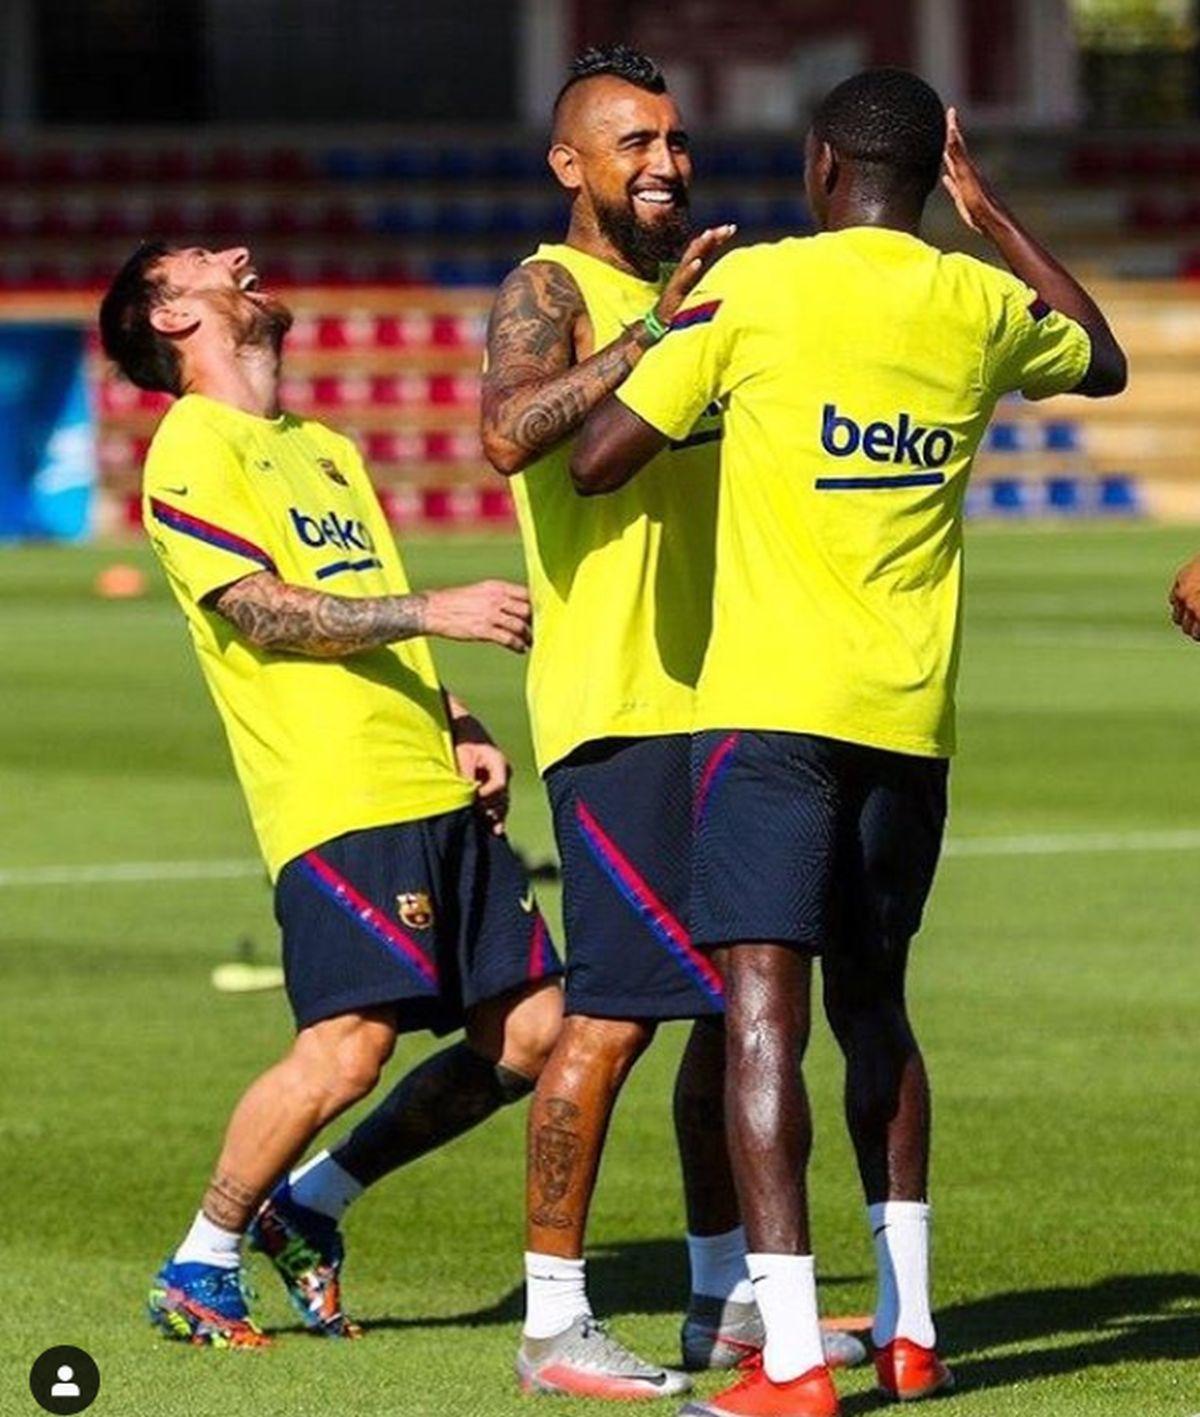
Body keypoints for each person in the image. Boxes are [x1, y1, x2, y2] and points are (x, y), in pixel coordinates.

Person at [572, 70, 1126, 1417]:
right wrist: (987, 213)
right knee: (876, 1007)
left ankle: (797, 1361)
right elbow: (1100, 357)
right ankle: (912, 1325)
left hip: (772, 715)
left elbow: (594, 460)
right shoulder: (982, 304)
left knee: (764, 1013)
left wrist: (667, 348)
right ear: (931, 173)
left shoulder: (755, 290)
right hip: (911, 720)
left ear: (822, 164)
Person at [481, 44, 864, 1399]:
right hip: (623, 704)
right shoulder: (550, 285)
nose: (664, 161)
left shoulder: (714, 291)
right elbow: (510, 431)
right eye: (633, 141)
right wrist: (654, 335)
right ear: (569, 163)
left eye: (675, 139)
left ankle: (728, 1302)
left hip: (740, 697)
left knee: (729, 1012)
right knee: (614, 1017)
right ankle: (550, 1322)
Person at [98, 240, 565, 1348]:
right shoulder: (190, 450)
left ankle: (312, 1202)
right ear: (170, 319)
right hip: (335, 794)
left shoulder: (323, 447)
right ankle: (201, 1258)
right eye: (209, 261)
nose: (243, 259)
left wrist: (454, 717)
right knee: (349, 1045)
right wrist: (435, 612)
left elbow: (360, 594)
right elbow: (262, 611)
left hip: (425, 779)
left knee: (537, 1033)